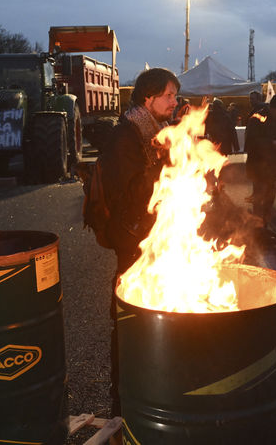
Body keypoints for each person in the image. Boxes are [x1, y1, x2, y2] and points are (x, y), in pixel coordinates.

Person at [99, 67, 179, 416]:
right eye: (169, 96)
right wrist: (166, 162)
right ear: (149, 98)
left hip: (152, 237)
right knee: (131, 318)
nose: (175, 103)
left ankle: (157, 389)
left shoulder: (154, 132)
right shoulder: (126, 137)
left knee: (158, 316)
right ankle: (124, 402)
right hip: (133, 244)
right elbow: (132, 194)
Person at [246, 94, 276, 238]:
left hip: (271, 167)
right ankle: (257, 230)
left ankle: (264, 227)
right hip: (258, 167)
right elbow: (252, 141)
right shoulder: (257, 118)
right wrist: (271, 143)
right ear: (273, 108)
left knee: (270, 198)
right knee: (259, 199)